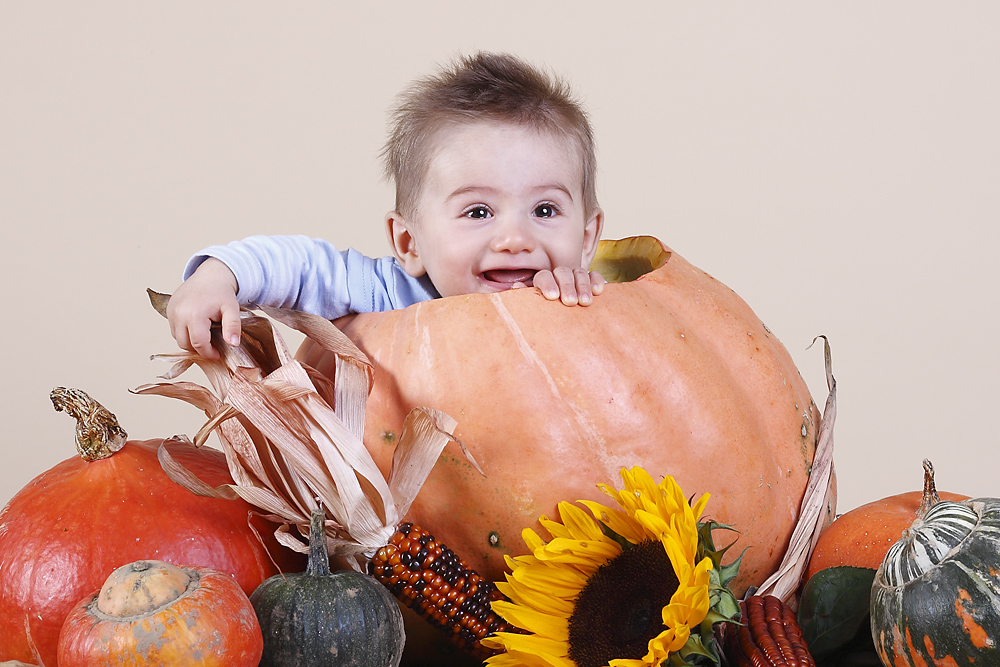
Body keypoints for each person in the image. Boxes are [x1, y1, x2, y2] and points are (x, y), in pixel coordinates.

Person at [167, 52, 606, 360]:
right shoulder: (387, 296)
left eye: (545, 211)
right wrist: (218, 276)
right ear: (409, 242)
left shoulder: (583, 304)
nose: (515, 239)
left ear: (586, 238)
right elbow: (301, 267)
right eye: (478, 212)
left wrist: (584, 308)